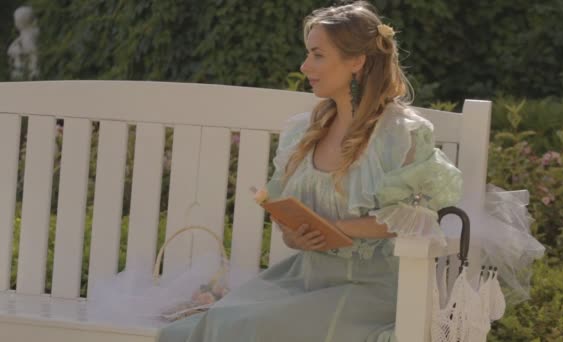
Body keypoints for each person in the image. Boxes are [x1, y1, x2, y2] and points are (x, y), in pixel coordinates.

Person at [158, 1, 463, 341]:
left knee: (244, 327)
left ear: (357, 62)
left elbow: (414, 219)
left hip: (370, 288)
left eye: (318, 55)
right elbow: (289, 216)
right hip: (305, 278)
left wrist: (334, 227)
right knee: (213, 324)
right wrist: (295, 235)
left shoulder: (399, 134)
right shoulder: (303, 132)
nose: (305, 66)